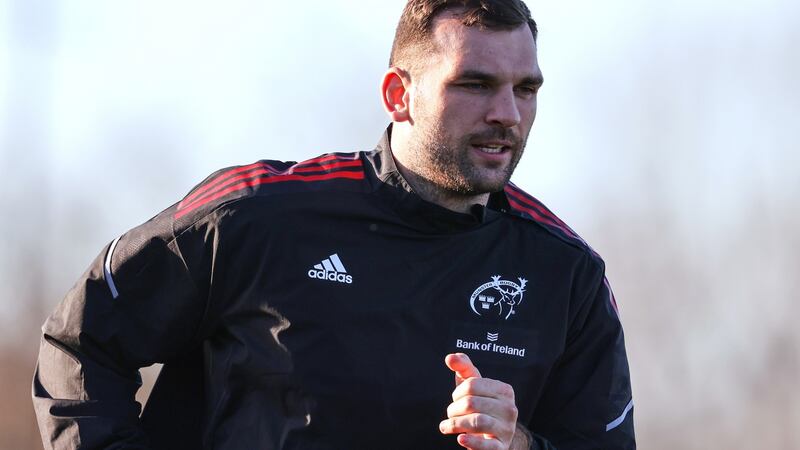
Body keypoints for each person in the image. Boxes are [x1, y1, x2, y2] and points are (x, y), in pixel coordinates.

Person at [32, 1, 635, 449]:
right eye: (474, 84)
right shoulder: (257, 215)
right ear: (399, 95)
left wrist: (522, 444)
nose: (506, 113)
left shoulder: (567, 273)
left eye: (525, 88)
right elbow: (80, 343)